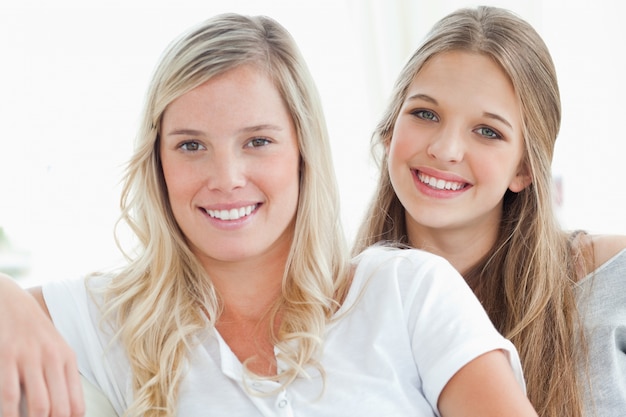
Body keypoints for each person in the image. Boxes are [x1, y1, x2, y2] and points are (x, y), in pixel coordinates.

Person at [0, 12, 538, 417]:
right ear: (157, 160)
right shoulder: (116, 319)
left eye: (257, 141)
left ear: (303, 152)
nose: (227, 177)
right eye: (191, 146)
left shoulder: (409, 292)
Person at [352, 5, 626, 417]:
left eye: (488, 131)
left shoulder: (612, 282)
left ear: (524, 168)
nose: (445, 150)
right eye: (425, 114)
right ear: (390, 132)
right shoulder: (335, 307)